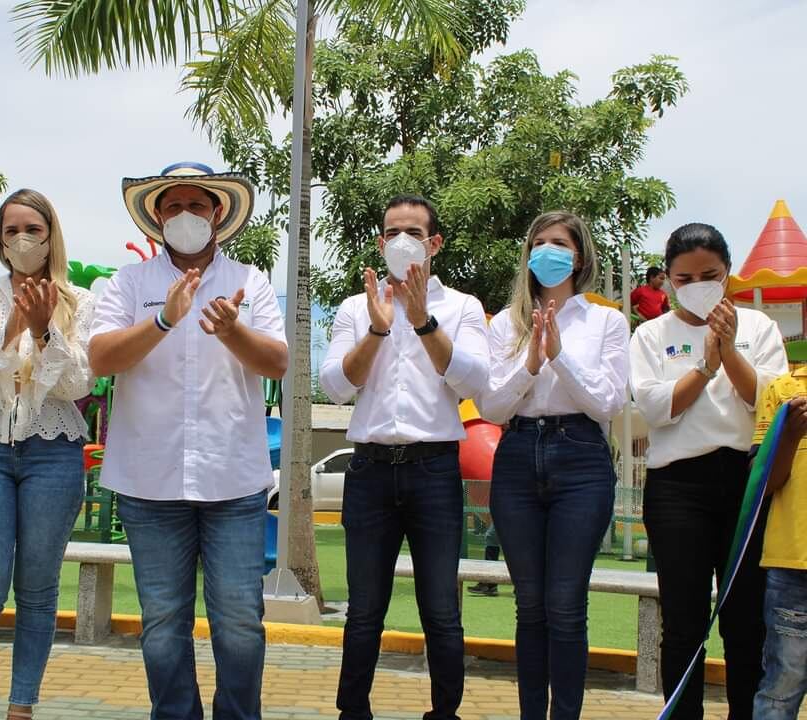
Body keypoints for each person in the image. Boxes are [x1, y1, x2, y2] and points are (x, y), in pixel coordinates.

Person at [90, 162, 286, 720]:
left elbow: (278, 362)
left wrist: (233, 330)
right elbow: (100, 357)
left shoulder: (251, 281)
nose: (184, 217)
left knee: (240, 622)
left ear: (217, 214)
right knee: (162, 624)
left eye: (196, 206)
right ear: (157, 219)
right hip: (149, 484)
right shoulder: (128, 285)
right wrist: (162, 322)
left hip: (234, 482)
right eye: (172, 207)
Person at [320, 194, 489, 720]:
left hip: (434, 468)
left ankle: (445, 713)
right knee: (365, 608)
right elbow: (334, 387)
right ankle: (353, 711)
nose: (402, 242)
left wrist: (421, 321)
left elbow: (476, 383)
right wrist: (377, 327)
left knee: (440, 608)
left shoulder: (461, 307)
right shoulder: (355, 306)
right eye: (393, 232)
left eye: (414, 233)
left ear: (434, 243)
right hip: (369, 467)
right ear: (379, 241)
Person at [0, 189, 95, 720]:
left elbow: (77, 383)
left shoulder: (77, 300)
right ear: (0, 241)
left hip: (54, 452)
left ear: (51, 234)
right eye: (11, 231)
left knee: (36, 588)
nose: (23, 240)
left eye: (33, 228)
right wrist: (11, 329)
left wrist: (46, 330)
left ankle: (21, 706)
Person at [630, 223, 787, 720]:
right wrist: (705, 365)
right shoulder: (652, 334)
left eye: (710, 275)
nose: (697, 284)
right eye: (683, 277)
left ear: (728, 272)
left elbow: (766, 400)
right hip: (677, 488)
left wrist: (729, 349)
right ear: (668, 278)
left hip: (745, 483)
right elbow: (655, 409)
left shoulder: (758, 326)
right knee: (684, 620)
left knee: (745, 620)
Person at [477, 211, 628, 720]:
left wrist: (561, 355)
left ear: (579, 255)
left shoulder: (606, 320)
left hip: (580, 457)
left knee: (565, 606)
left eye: (559, 243)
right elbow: (493, 407)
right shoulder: (506, 322)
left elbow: (607, 403)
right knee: (530, 605)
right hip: (518, 455)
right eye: (539, 243)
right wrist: (533, 363)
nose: (548, 252)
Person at [751, 378, 807, 718]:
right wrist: (789, 435)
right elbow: (763, 485)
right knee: (781, 689)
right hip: (792, 566)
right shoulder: (785, 391)